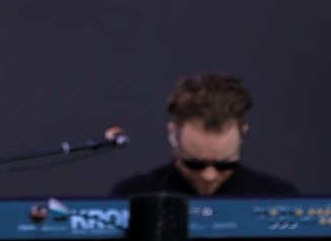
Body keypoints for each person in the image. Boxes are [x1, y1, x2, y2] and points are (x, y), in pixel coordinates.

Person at [111, 72, 297, 196]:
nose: (209, 176)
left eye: (224, 165)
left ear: (242, 135)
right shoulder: (131, 197)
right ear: (173, 135)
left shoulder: (279, 199)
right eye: (194, 164)